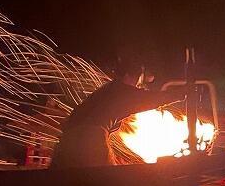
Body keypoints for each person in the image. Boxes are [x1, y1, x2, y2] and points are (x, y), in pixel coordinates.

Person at [50, 62, 184, 169]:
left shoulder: (107, 89)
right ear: (127, 75)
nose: (138, 84)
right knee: (108, 182)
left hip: (66, 139)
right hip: (90, 138)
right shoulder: (121, 90)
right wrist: (180, 94)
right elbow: (150, 99)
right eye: (137, 78)